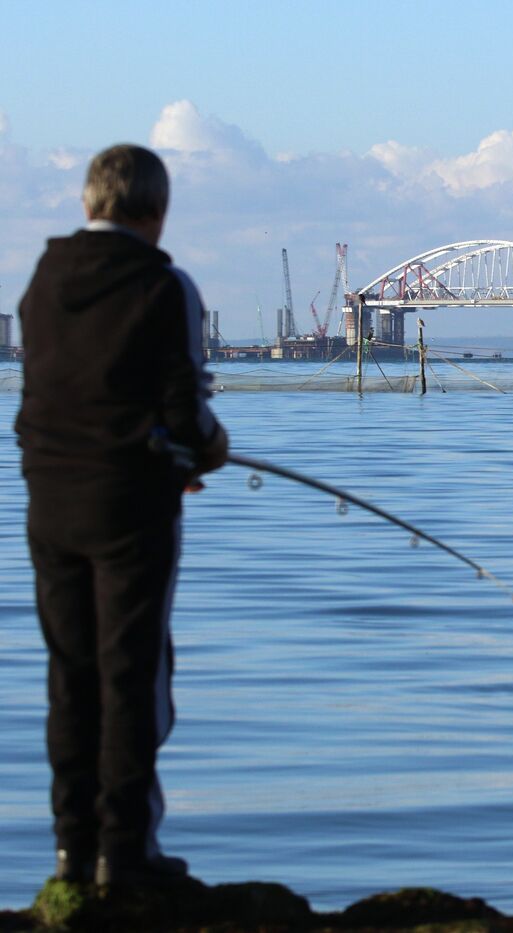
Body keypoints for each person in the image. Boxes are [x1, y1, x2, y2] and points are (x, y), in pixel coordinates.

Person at [15, 144, 228, 886]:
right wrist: (202, 453)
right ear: (157, 212)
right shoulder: (165, 287)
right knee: (133, 674)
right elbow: (187, 412)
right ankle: (127, 853)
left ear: (87, 204)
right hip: (131, 508)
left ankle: (73, 851)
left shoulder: (41, 281)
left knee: (70, 673)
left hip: (48, 498)